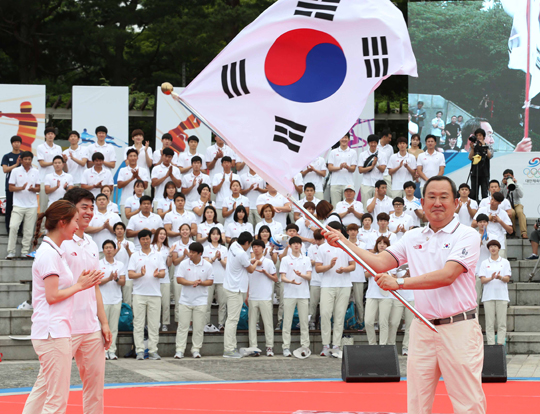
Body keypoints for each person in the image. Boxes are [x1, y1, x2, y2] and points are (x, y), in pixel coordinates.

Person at [322, 175, 486, 414]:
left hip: (458, 327)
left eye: (444, 197)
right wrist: (345, 243)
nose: (437, 202)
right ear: (422, 202)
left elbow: (448, 275)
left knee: (468, 404)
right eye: (431, 197)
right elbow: (379, 263)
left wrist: (398, 283)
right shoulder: (413, 236)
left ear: (456, 203)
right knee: (417, 403)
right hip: (422, 327)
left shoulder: (467, 235)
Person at [22, 200, 102, 414]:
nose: (77, 226)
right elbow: (52, 296)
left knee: (49, 394)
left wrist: (80, 282)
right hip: (52, 332)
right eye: (75, 221)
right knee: (56, 401)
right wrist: (79, 285)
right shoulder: (49, 254)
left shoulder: (53, 251)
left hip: (55, 331)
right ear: (62, 222)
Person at [62, 187, 111, 414]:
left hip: (91, 328)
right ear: (70, 209)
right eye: (84, 207)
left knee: (94, 389)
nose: (90, 212)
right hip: (65, 327)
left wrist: (104, 323)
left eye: (92, 208)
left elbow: (95, 287)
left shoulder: (91, 244)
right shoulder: (60, 242)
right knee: (53, 387)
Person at [316, 221, 356, 358]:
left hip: (344, 285)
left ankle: (336, 345)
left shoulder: (347, 247)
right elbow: (318, 268)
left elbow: (353, 266)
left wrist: (344, 269)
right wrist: (330, 266)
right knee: (326, 314)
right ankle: (326, 345)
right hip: (327, 285)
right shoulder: (322, 248)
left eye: (337, 230)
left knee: (339, 316)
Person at [128, 229, 167, 360]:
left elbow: (163, 272)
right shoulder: (134, 255)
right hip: (139, 294)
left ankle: (152, 350)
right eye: (143, 239)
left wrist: (158, 274)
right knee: (138, 323)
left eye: (147, 238)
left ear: (151, 239)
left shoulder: (158, 255)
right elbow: (130, 274)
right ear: (139, 240)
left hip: (155, 294)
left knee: (154, 324)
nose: (145, 241)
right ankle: (139, 350)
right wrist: (141, 274)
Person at [174, 242, 213, 358]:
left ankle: (196, 349)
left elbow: (210, 281)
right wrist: (192, 282)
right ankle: (179, 350)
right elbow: (179, 280)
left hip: (200, 300)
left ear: (200, 253)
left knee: (198, 327)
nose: (190, 254)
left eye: (193, 252)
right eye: (189, 251)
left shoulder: (207, 265)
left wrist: (201, 283)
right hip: (185, 300)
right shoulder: (184, 264)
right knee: (182, 326)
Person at [222, 231, 258, 358]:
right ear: (247, 243)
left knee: (232, 319)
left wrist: (250, 260)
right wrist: (256, 262)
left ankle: (232, 347)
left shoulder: (233, 245)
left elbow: (244, 262)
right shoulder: (242, 253)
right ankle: (228, 349)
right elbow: (251, 270)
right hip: (235, 289)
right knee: (232, 320)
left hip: (230, 286)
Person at [279, 236, 312, 358]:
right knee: (287, 321)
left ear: (301, 245)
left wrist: (301, 275)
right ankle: (286, 347)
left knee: (304, 322)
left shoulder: (306, 259)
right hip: (289, 294)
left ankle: (305, 346)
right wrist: (291, 281)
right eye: (294, 244)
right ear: (290, 245)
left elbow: (309, 277)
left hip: (303, 294)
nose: (296, 246)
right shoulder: (285, 260)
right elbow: (282, 277)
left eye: (298, 243)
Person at [6, 150, 40, 260]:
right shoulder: (15, 171)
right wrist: (20, 188)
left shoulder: (36, 171)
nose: (27, 161)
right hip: (18, 204)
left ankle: (25, 252)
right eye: (25, 159)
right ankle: (11, 251)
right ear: (21, 160)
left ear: (31, 160)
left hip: (32, 205)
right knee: (13, 226)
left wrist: (33, 189)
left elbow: (39, 188)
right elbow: (10, 188)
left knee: (29, 230)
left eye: (29, 159)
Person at [248, 239, 278, 356]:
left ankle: (269, 347)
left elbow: (275, 278)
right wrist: (247, 295)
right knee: (252, 323)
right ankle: (253, 347)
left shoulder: (269, 262)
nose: (256, 249)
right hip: (252, 296)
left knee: (268, 323)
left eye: (258, 247)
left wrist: (265, 273)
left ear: (263, 249)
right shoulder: (249, 262)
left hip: (265, 296)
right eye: (254, 247)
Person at [478, 240, 511, 346]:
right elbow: (482, 280)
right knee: (489, 323)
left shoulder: (505, 262)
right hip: (488, 296)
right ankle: (491, 345)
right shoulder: (484, 263)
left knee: (502, 323)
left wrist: (500, 277)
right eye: (491, 246)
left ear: (499, 248)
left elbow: (507, 279)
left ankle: (501, 345)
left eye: (495, 246)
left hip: (502, 296)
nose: (493, 248)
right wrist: (491, 278)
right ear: (488, 249)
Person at [98, 239, 126, 360]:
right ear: (103, 250)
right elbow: (97, 282)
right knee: (102, 328)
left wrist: (115, 279)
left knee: (113, 327)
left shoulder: (120, 265)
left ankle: (112, 350)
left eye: (111, 247)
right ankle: (102, 351)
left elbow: (123, 282)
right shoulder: (98, 264)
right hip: (103, 300)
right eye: (106, 248)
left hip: (116, 299)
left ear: (115, 250)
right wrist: (108, 279)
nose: (109, 250)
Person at [364, 236, 394, 345]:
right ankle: (372, 345)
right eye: (379, 243)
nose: (382, 245)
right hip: (372, 294)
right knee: (368, 322)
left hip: (386, 295)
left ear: (388, 245)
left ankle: (382, 346)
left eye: (384, 243)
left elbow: (394, 277)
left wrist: (384, 271)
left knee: (383, 323)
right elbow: (366, 275)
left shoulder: (392, 258)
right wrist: (375, 268)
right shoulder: (371, 257)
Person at [472, 192, 513, 258]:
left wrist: (500, 221)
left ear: (499, 203)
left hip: (499, 241)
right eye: (492, 199)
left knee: (499, 264)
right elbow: (473, 224)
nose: (492, 202)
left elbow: (510, 230)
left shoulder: (503, 213)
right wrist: (487, 219)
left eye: (495, 200)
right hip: (485, 241)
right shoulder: (483, 209)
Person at [203, 227, 228, 332]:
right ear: (210, 236)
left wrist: (219, 258)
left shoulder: (224, 249)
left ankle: (221, 324)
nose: (215, 236)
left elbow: (226, 265)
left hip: (221, 279)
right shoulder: (206, 248)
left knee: (222, 303)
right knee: (207, 304)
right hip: (209, 279)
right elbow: (205, 263)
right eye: (213, 234)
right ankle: (206, 324)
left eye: (217, 234)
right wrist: (213, 258)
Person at [388, 264, 415, 356]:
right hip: (398, 297)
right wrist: (405, 277)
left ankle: (406, 347)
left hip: (412, 298)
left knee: (410, 325)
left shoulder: (415, 260)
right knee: (393, 323)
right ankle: (391, 346)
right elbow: (392, 280)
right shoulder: (396, 262)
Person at [474, 214, 501, 306]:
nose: (482, 224)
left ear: (488, 223)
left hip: (490, 270)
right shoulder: (473, 235)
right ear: (477, 223)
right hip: (477, 269)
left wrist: (489, 241)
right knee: (475, 297)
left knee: (490, 298)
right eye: (480, 222)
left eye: (484, 222)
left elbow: (496, 251)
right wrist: (480, 240)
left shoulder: (493, 236)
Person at [152, 228, 174, 332]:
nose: (162, 236)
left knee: (165, 303)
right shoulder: (151, 247)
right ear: (156, 235)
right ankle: (154, 323)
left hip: (165, 279)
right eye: (160, 233)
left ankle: (165, 323)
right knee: (154, 304)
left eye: (164, 234)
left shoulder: (167, 248)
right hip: (152, 279)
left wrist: (170, 254)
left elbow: (169, 264)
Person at [118, 148, 150, 218]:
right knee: (125, 226)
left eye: (134, 156)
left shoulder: (143, 170)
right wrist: (132, 178)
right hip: (125, 201)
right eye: (131, 156)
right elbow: (119, 185)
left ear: (137, 158)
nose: (133, 158)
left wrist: (137, 176)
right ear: (127, 158)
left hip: (141, 202)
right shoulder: (122, 170)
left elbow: (145, 186)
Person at [171, 223, 194, 323]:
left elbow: (196, 260)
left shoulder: (194, 244)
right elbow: (174, 262)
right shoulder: (175, 244)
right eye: (183, 230)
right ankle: (178, 322)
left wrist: (189, 255)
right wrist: (183, 255)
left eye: (187, 229)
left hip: (191, 277)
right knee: (178, 301)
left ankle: (190, 322)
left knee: (191, 301)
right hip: (178, 276)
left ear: (190, 231)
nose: (185, 231)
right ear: (180, 232)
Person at [37, 126, 63, 213]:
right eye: (48, 134)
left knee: (57, 205)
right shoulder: (40, 147)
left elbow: (61, 163)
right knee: (43, 206)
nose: (50, 136)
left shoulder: (58, 148)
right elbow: (42, 163)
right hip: (43, 179)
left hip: (57, 180)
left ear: (55, 136)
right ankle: (42, 226)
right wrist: (54, 163)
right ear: (45, 136)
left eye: (52, 134)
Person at [327, 133, 357, 206]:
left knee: (349, 206)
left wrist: (347, 167)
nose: (344, 139)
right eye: (342, 137)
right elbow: (330, 167)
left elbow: (353, 169)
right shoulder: (333, 152)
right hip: (335, 183)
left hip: (348, 183)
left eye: (346, 137)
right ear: (339, 139)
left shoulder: (353, 152)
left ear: (349, 139)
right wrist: (339, 167)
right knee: (335, 206)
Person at [346, 224, 367, 329]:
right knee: (345, 301)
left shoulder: (362, 245)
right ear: (347, 232)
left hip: (358, 276)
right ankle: (345, 322)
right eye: (351, 230)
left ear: (358, 232)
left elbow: (365, 260)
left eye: (355, 230)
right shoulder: (343, 243)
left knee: (359, 301)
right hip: (346, 277)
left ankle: (360, 322)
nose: (353, 232)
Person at [358, 134, 386, 210]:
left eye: (375, 142)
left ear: (377, 143)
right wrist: (371, 166)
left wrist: (376, 164)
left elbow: (383, 169)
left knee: (378, 207)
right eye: (371, 142)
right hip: (366, 184)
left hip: (378, 185)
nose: (373, 144)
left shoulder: (382, 154)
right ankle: (365, 221)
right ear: (368, 143)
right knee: (366, 206)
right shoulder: (362, 154)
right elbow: (360, 170)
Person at [2, 135, 22, 233]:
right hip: (10, 187)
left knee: (21, 208)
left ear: (20, 143)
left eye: (18, 142)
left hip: (21, 187)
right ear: (12, 144)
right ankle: (8, 229)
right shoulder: (7, 156)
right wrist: (16, 165)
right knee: (9, 207)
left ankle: (20, 229)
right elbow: (5, 170)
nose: (16, 144)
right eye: (14, 142)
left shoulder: (24, 156)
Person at [113, 222, 136, 305]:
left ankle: (127, 318)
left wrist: (128, 250)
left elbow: (134, 259)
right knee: (115, 302)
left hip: (127, 276)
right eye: (117, 229)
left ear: (124, 231)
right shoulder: (111, 243)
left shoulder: (130, 244)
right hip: (114, 276)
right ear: (114, 231)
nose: (119, 231)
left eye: (121, 229)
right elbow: (108, 258)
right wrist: (117, 250)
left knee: (127, 301)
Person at [212, 156, 240, 223]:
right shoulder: (217, 176)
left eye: (228, 162)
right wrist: (222, 181)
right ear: (222, 164)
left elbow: (240, 191)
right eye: (224, 162)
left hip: (233, 204)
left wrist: (231, 181)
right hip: (220, 204)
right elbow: (214, 191)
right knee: (219, 226)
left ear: (231, 164)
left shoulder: (236, 176)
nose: (226, 164)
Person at [501, 169, 528, 239]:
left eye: (508, 176)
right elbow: (501, 196)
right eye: (505, 177)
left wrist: (515, 185)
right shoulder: (503, 186)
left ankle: (524, 233)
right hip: (508, 205)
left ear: (513, 176)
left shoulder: (518, 185)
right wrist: (503, 185)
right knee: (511, 213)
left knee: (520, 212)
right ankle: (512, 232)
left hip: (517, 204)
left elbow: (521, 195)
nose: (507, 178)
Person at [468, 128, 493, 201]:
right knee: (474, 193)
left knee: (485, 194)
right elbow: (470, 158)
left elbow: (490, 156)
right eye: (477, 135)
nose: (478, 137)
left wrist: (484, 146)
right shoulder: (473, 146)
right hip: (474, 173)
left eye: (480, 135)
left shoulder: (488, 145)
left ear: (484, 137)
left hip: (485, 173)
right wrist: (472, 148)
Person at [307, 229, 325, 330]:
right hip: (314, 280)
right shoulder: (311, 248)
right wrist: (319, 261)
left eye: (320, 239)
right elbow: (309, 262)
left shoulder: (327, 247)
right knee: (313, 303)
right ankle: (312, 321)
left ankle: (323, 322)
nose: (317, 242)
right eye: (316, 239)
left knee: (324, 304)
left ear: (323, 238)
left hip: (326, 281)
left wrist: (317, 261)